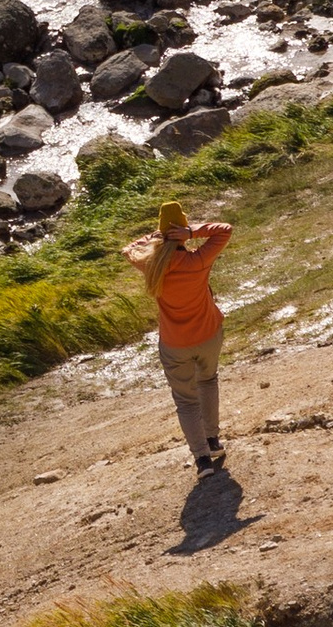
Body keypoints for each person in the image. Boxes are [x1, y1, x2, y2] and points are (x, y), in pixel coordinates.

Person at [124, 200, 232, 474]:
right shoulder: (198, 259)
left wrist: (157, 235)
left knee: (185, 401)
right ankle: (213, 440)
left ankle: (202, 460)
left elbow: (128, 249)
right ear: (182, 228)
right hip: (208, 335)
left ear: (162, 232)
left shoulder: (150, 265)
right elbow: (224, 230)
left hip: (174, 344)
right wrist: (191, 232)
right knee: (208, 381)